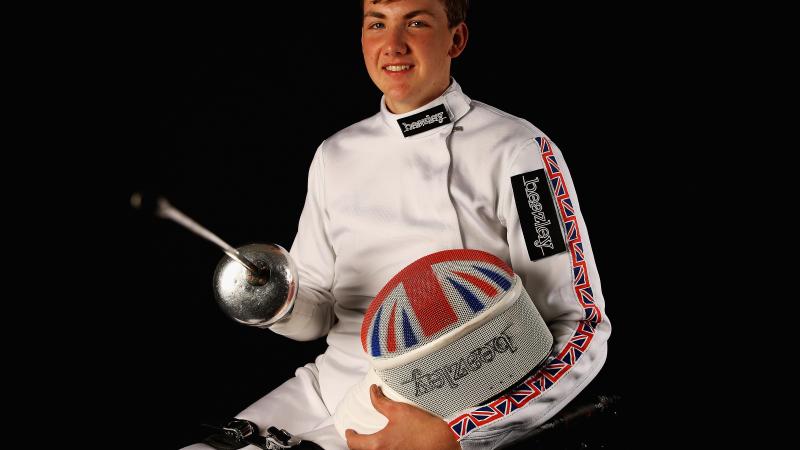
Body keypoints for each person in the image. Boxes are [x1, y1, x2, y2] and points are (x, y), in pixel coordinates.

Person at [183, 0, 610, 449]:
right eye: (377, 24)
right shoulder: (336, 155)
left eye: (417, 22)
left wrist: (456, 433)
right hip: (327, 391)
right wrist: (278, 300)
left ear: (456, 39)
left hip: (442, 405)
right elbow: (320, 312)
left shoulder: (518, 153)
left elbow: (581, 326)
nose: (393, 45)